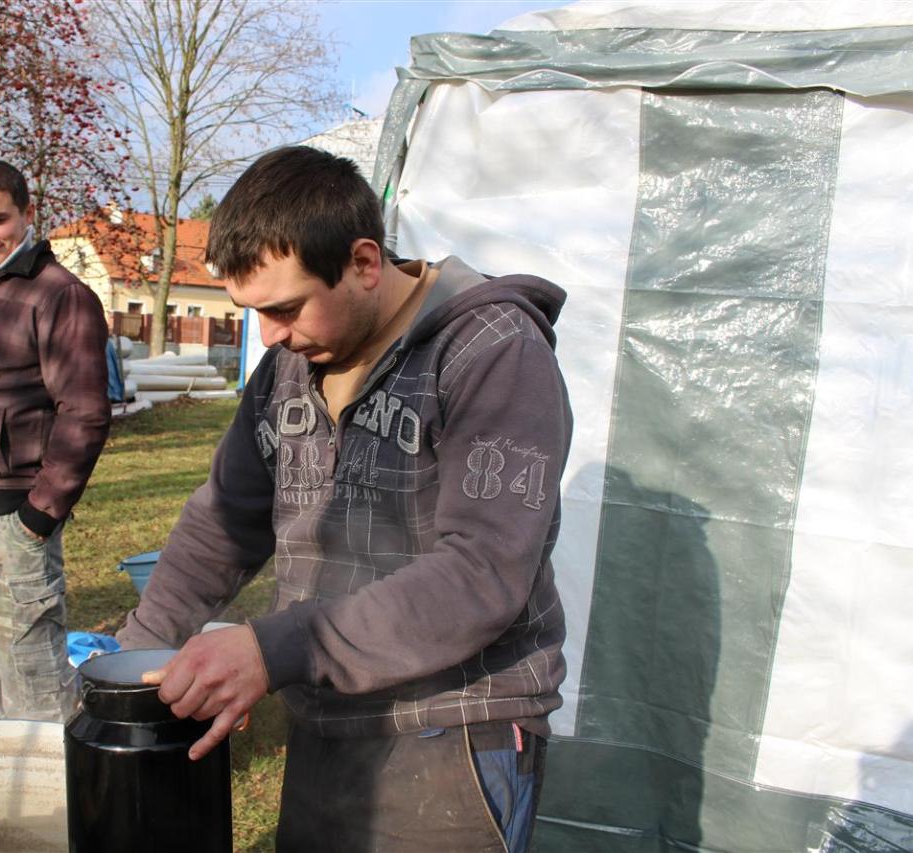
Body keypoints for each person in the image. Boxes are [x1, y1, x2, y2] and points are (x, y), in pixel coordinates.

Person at [117, 146, 573, 851]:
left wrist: (276, 648)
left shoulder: (492, 351)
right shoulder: (287, 366)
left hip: (454, 730)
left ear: (363, 262)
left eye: (284, 308)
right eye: (253, 312)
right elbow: (223, 523)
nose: (270, 336)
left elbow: (482, 572)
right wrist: (131, 659)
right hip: (325, 717)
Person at [0, 160, 110, 723]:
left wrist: (39, 514)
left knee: (34, 685)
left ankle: (51, 778)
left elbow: (84, 414)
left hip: (13, 516)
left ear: (28, 214)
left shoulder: (61, 296)